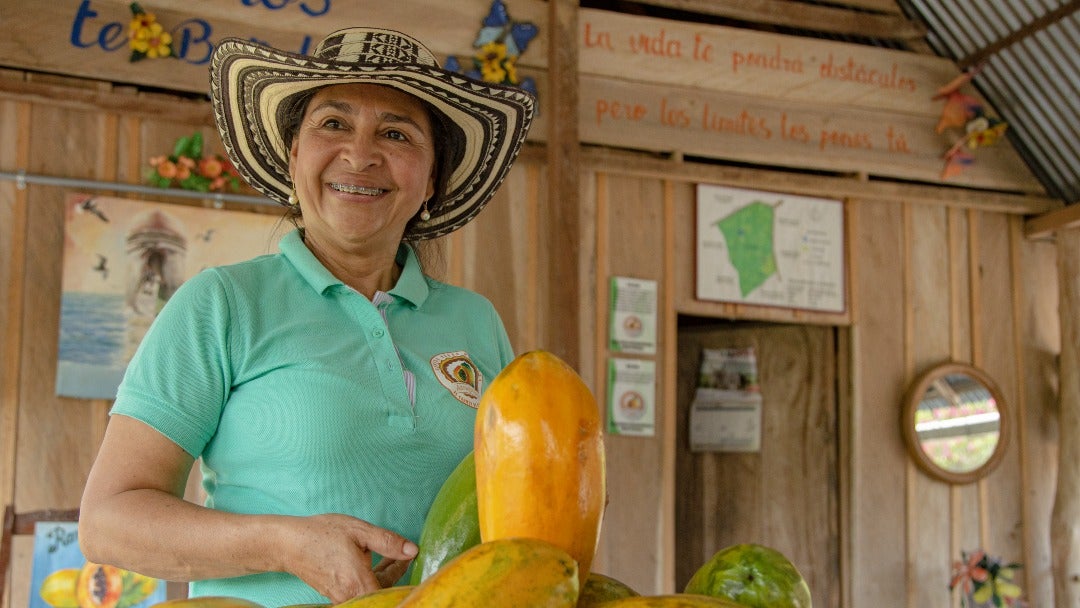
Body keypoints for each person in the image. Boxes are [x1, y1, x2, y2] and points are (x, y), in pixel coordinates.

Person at [78, 27, 536, 607]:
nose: (360, 154)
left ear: (432, 182)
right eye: (333, 124)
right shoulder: (223, 303)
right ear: (295, 155)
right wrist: (285, 544)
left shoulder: (476, 321)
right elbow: (108, 522)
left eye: (396, 133)